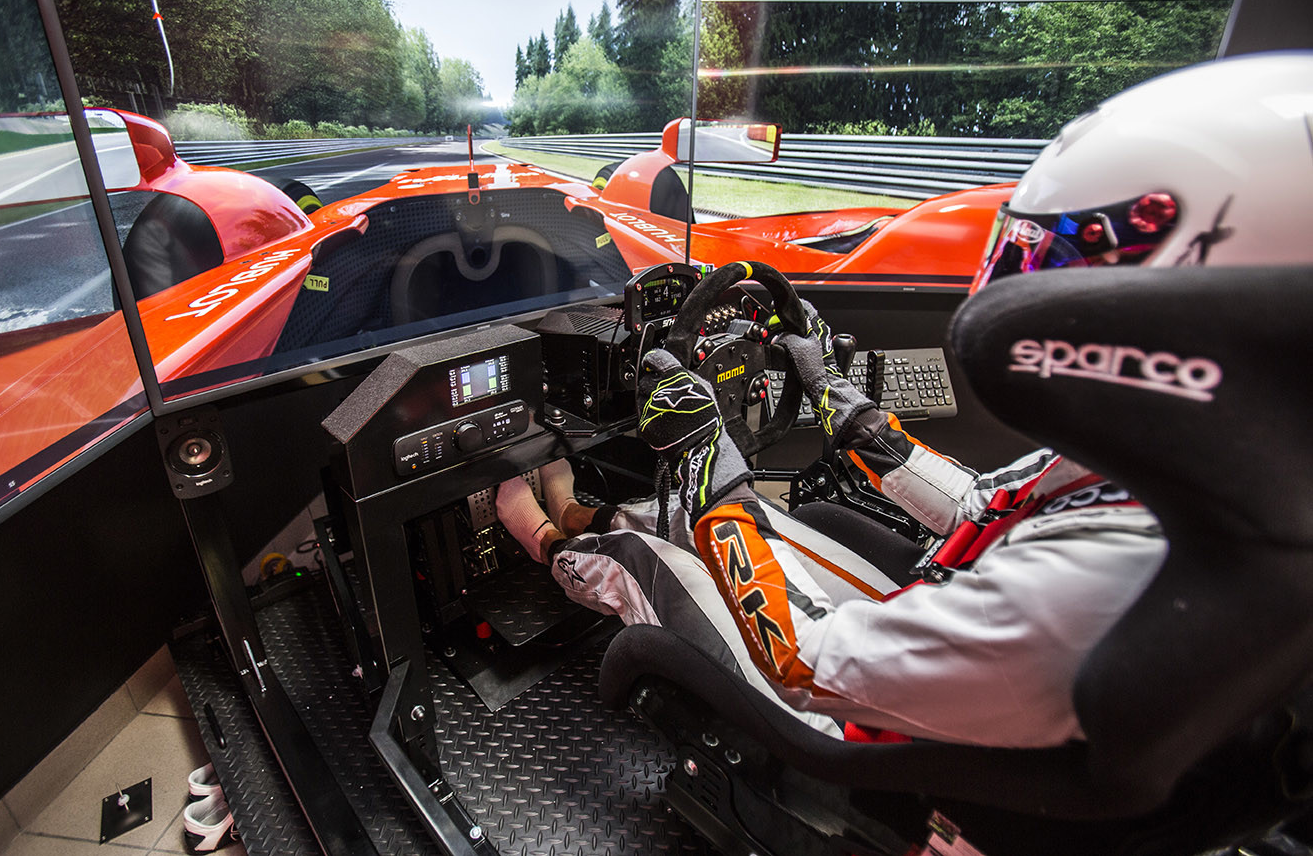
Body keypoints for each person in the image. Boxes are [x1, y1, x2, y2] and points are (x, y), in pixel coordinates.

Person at [495, 52, 1313, 747]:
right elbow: (983, 508)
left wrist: (705, 451)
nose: (1021, 286)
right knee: (731, 516)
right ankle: (580, 512)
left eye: (1047, 262)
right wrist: (839, 401)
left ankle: (540, 534)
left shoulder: (1087, 585)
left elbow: (800, 657)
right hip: (944, 656)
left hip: (843, 724)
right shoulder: (1176, 491)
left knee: (653, 555)